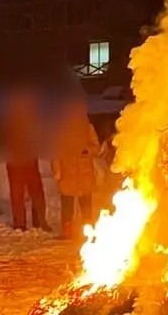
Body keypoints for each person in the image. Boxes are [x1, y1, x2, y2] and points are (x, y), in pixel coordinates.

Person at [3, 88, 50, 232]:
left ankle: (40, 220)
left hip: (30, 162)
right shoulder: (9, 122)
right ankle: (20, 223)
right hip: (16, 164)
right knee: (17, 194)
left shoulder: (33, 121)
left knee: (37, 192)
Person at [52, 97, 100, 240]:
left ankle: (89, 231)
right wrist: (57, 171)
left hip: (84, 172)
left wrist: (87, 150)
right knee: (67, 204)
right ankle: (67, 230)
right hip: (68, 172)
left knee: (85, 204)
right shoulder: (60, 129)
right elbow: (55, 151)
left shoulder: (87, 127)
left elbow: (95, 146)